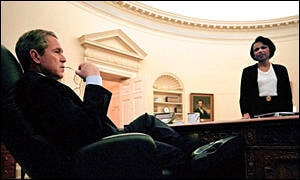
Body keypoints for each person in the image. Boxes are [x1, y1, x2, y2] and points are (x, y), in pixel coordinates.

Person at [15, 29, 215, 176]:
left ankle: (201, 151)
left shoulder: (41, 86)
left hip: (104, 135)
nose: (64, 58)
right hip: (98, 147)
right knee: (175, 155)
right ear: (36, 56)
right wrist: (94, 80)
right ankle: (203, 158)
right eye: (57, 52)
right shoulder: (35, 87)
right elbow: (86, 129)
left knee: (147, 121)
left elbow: (81, 122)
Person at [239, 36, 293, 119]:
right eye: (256, 50)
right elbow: (244, 96)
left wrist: (289, 114)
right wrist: (245, 113)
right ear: (253, 54)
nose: (260, 51)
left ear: (270, 49)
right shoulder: (248, 72)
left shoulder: (281, 70)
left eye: (263, 47)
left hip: (279, 112)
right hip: (256, 112)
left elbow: (287, 95)